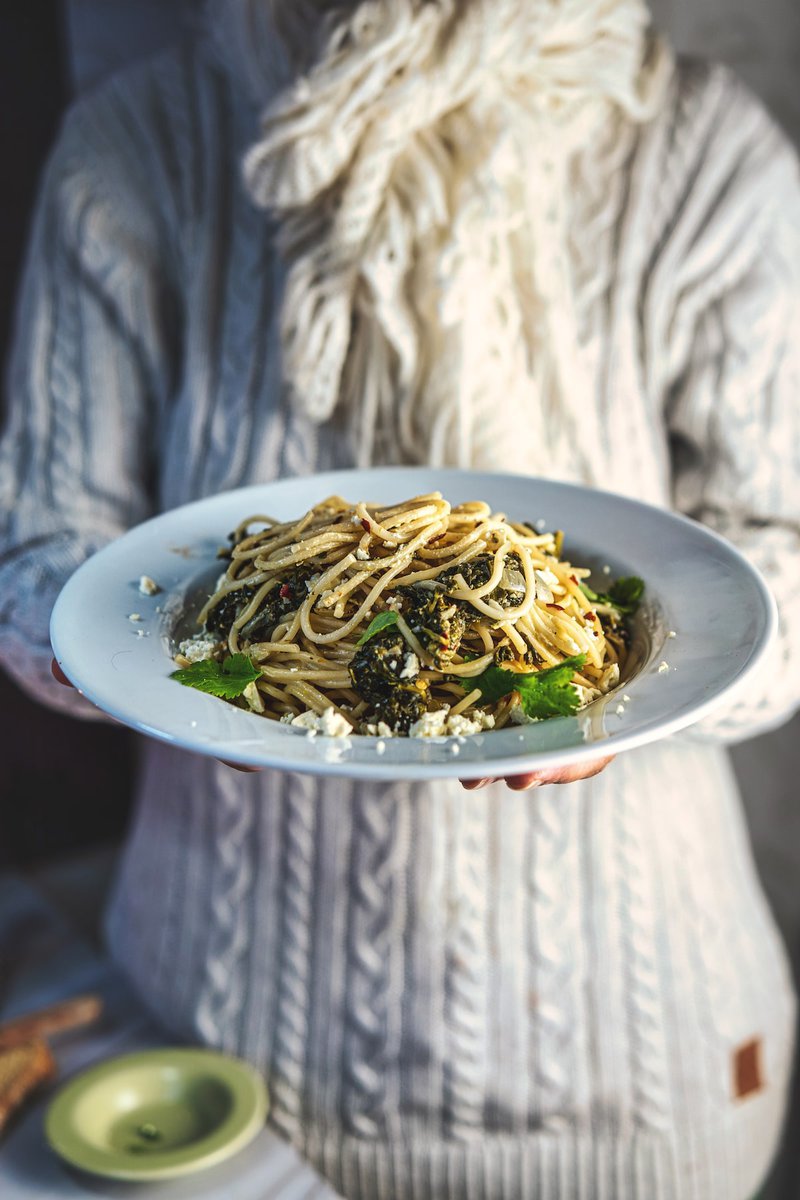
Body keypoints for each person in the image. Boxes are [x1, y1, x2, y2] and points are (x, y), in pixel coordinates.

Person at [1, 0, 799, 1195]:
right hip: (218, 1043)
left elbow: (783, 565)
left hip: (636, 1057)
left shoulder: (701, 151)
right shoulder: (138, 142)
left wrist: (635, 686)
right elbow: (34, 554)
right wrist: (127, 651)